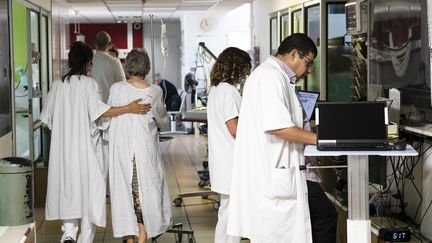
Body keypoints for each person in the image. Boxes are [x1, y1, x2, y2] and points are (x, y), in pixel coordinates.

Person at [227, 33, 337, 243]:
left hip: (281, 169)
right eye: (309, 63)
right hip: (276, 172)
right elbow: (279, 127)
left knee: (320, 217)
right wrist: (321, 139)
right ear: (294, 54)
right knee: (324, 216)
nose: (310, 70)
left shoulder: (274, 76)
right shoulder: (271, 77)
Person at [40, 41, 150, 243]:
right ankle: (84, 239)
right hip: (87, 152)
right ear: (88, 64)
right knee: (91, 195)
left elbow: (47, 119)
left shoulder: (57, 86)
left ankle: (69, 233)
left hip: (63, 153)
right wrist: (129, 108)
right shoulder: (89, 85)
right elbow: (101, 112)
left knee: (68, 190)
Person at [106, 48, 171, 243]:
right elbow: (162, 121)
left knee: (126, 194)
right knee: (143, 194)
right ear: (147, 67)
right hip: (144, 151)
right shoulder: (155, 91)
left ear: (127, 67)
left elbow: (108, 115)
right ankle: (142, 236)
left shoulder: (117, 89)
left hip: (121, 150)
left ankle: (130, 238)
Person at [207, 47, 251, 243]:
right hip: (231, 161)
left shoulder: (216, 90)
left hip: (222, 160)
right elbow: (234, 128)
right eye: (245, 69)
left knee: (227, 213)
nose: (246, 75)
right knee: (231, 216)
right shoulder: (229, 92)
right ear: (236, 68)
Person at [90, 31, 126, 103]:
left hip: (93, 105)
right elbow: (123, 84)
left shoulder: (88, 62)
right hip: (111, 105)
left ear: (94, 43)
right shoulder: (115, 61)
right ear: (110, 44)